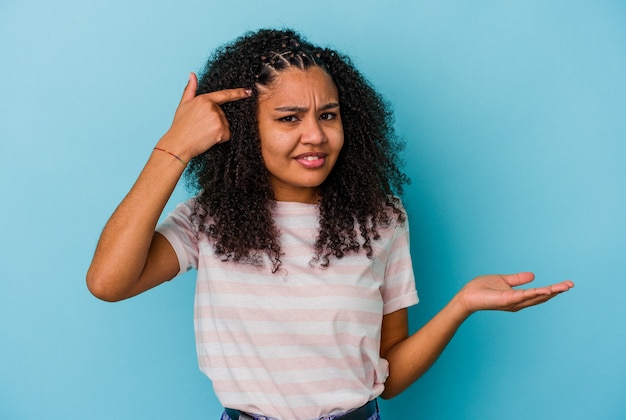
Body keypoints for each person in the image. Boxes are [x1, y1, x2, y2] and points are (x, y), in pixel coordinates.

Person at [86, 28, 574, 420]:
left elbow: (390, 377)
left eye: (328, 114)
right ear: (243, 128)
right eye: (289, 118)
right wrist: (175, 147)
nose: (315, 135)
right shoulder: (208, 219)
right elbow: (108, 282)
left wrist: (462, 304)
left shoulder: (382, 218)